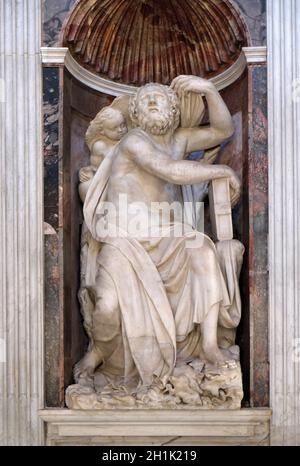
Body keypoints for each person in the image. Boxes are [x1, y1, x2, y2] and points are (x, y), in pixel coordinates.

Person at [76, 75, 244, 391]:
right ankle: (98, 352)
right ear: (136, 115)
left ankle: (209, 344)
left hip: (169, 235)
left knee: (202, 250)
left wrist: (208, 90)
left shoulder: (179, 141)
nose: (153, 102)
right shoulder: (134, 141)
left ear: (173, 109)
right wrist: (220, 170)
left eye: (160, 98)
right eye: (145, 101)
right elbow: (168, 170)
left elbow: (224, 131)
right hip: (126, 238)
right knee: (107, 307)